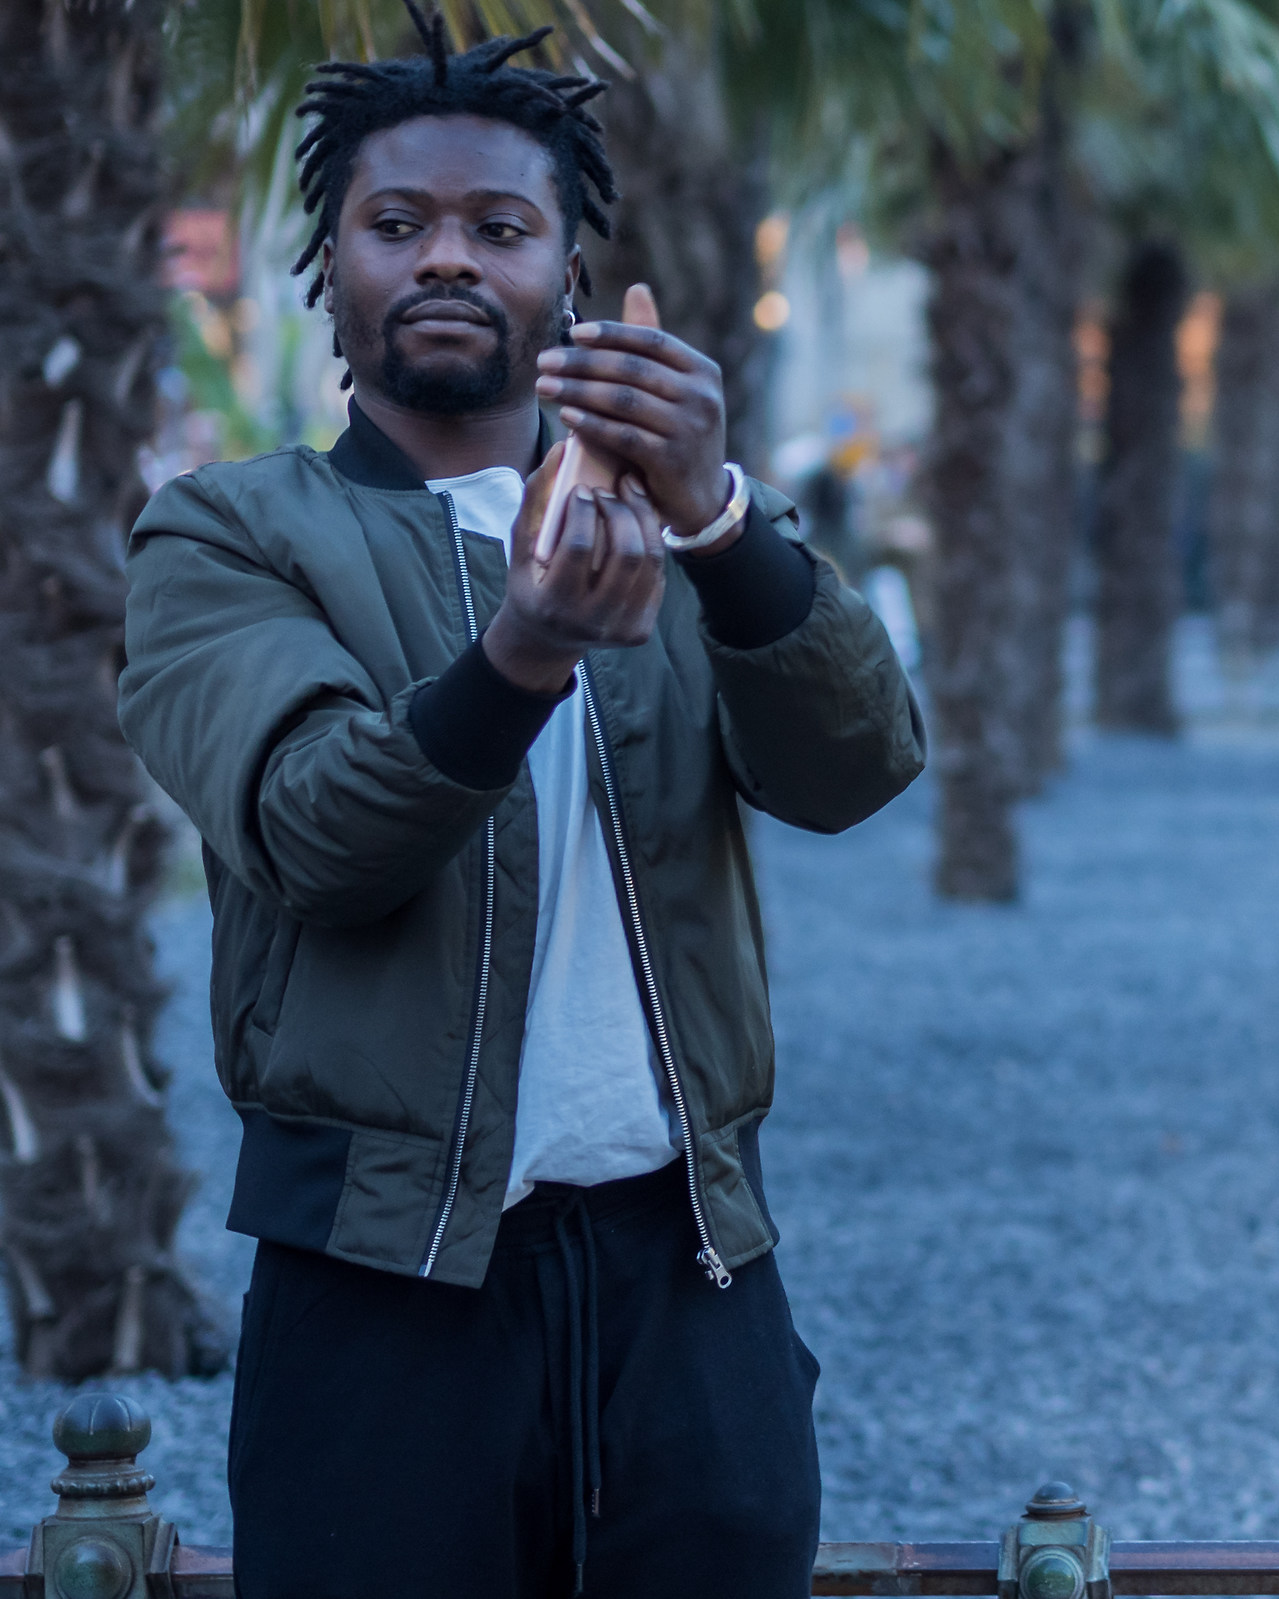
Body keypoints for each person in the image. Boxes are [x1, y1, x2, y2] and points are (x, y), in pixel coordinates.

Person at [115, 11, 925, 1597]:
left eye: (500, 227)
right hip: (382, 1284)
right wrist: (525, 649)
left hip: (690, 1270)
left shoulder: (682, 527)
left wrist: (721, 517)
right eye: (395, 223)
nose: (446, 260)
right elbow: (314, 835)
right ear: (328, 266)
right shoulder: (225, 533)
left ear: (567, 271)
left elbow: (858, 767)